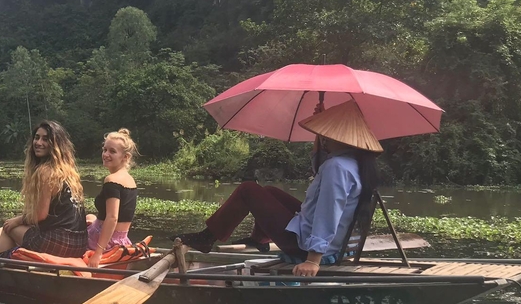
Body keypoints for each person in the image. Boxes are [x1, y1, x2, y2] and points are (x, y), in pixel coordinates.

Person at [176, 100, 382, 277]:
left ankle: (207, 237)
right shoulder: (352, 163)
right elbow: (319, 167)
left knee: (248, 190)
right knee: (270, 192)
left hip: (306, 247)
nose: (325, 136)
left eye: (327, 132)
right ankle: (259, 240)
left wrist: (313, 260)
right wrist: (319, 135)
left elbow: (328, 213)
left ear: (338, 136)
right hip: (334, 243)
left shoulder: (337, 167)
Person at [0, 120, 88, 258]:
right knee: (30, 230)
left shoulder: (46, 171)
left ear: (56, 144)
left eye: (45, 139)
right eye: (36, 137)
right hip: (79, 244)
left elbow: (40, 215)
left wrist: (17, 220)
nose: (38, 143)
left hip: (59, 243)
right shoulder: (69, 172)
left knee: (8, 227)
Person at [84, 129, 139, 268]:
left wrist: (98, 253)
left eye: (112, 151)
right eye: (105, 150)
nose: (106, 154)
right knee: (89, 217)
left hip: (107, 242)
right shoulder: (129, 179)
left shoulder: (112, 181)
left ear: (125, 157)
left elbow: (112, 218)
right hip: (121, 240)